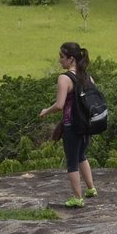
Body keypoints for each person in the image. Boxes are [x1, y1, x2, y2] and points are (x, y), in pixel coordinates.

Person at [38, 41, 98, 208]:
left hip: (71, 125)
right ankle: (91, 188)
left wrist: (45, 111)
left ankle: (78, 198)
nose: (60, 60)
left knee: (72, 161)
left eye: (61, 57)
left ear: (71, 59)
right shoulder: (88, 76)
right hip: (86, 125)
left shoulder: (64, 78)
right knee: (82, 156)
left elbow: (59, 105)